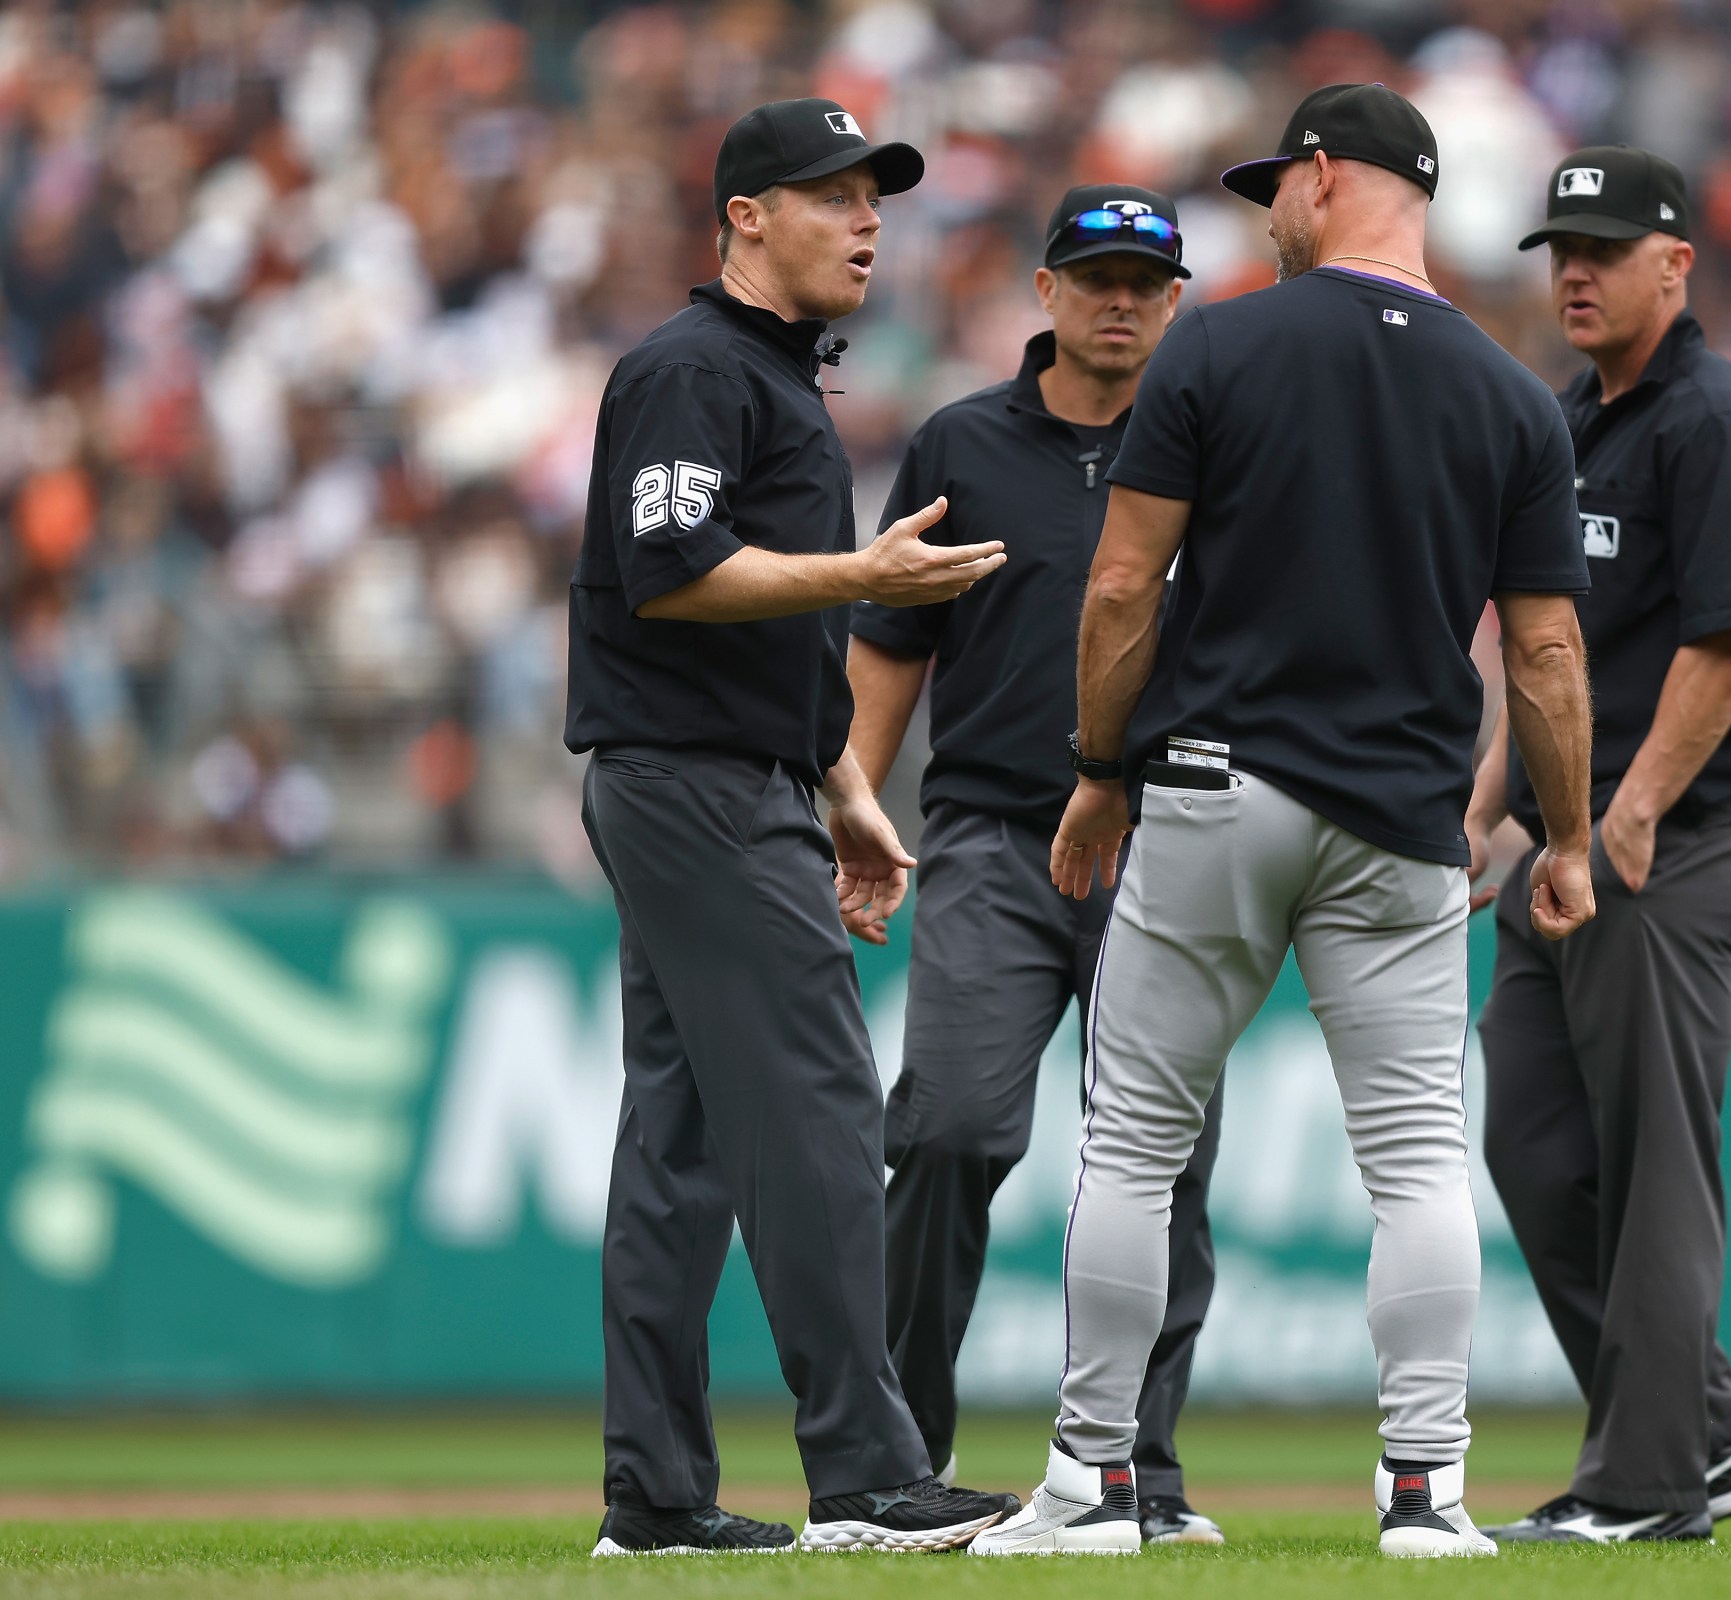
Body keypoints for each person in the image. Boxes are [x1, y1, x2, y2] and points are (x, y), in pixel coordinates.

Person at [968, 83, 1598, 1560]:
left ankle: (1091, 1486)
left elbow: (1123, 587)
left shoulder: (1223, 344)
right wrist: (1563, 838)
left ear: (1323, 178)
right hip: (1400, 820)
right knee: (1419, 1164)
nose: (1267, 215)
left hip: (1213, 787)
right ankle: (1426, 1496)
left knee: (1130, 1144)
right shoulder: (1513, 395)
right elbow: (1551, 656)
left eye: (1276, 190)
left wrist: (1097, 768)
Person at [565, 97, 1020, 1556]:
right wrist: (859, 573)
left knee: (685, 1141)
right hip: (694, 785)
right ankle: (867, 1476)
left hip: (729, 772)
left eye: (876, 197)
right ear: (746, 215)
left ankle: (655, 1494)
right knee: (819, 1106)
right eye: (832, 195)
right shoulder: (693, 369)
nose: (868, 218)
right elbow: (669, 569)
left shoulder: (763, 377)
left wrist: (843, 791)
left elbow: (749, 634)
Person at [844, 183, 1228, 1547]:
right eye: (1095, 274)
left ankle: (1140, 1474)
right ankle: (901, 1462)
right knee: (946, 1130)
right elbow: (893, 645)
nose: (1120, 298)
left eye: (1145, 279)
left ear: (1176, 301)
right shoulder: (961, 441)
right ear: (1047, 291)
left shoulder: (1215, 441)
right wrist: (856, 802)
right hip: (997, 838)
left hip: (1168, 841)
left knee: (1166, 1167)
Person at [1468, 146, 1731, 1544]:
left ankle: (1649, 1483)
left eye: (1607, 249)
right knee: (1539, 1151)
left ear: (1679, 263)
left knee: (1655, 1170)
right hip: (1567, 840)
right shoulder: (1571, 421)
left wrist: (1635, 811)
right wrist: (1489, 809)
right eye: (1564, 248)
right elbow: (1552, 653)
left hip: (1661, 848)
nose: (1577, 272)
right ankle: (1714, 1434)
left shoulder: (1721, 421)